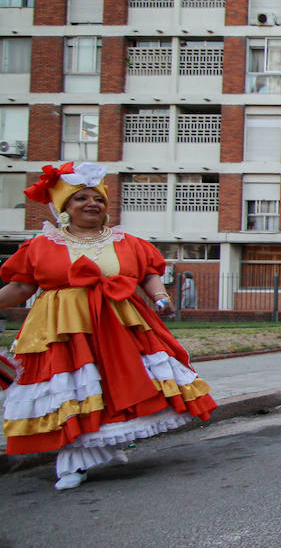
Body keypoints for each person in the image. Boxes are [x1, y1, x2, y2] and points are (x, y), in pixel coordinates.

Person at [0, 162, 216, 490]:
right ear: (64, 207)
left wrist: (159, 296)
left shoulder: (127, 242)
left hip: (120, 327)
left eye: (98, 198)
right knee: (74, 391)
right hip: (65, 332)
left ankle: (102, 446)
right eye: (80, 198)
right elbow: (20, 288)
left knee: (125, 385)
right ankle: (74, 460)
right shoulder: (40, 246)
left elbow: (148, 273)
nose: (91, 204)